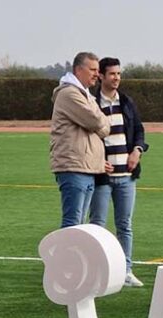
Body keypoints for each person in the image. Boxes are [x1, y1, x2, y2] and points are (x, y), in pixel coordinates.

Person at [87, 57, 149, 287]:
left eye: (119, 74)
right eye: (112, 74)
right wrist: (97, 161)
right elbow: (85, 136)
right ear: (101, 76)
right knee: (98, 225)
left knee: (125, 225)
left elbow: (139, 131)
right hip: (101, 178)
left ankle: (126, 270)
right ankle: (97, 272)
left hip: (126, 178)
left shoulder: (126, 102)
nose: (117, 78)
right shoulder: (91, 101)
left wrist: (137, 150)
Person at [50, 52, 110, 228]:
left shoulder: (86, 95)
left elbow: (104, 126)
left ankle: (74, 256)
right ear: (78, 70)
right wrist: (100, 123)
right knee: (72, 223)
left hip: (86, 167)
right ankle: (65, 256)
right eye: (92, 69)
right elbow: (96, 120)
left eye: (97, 70)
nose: (96, 74)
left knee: (80, 224)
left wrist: (100, 123)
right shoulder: (69, 94)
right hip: (73, 167)